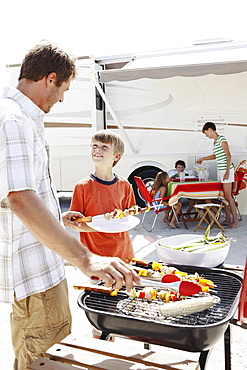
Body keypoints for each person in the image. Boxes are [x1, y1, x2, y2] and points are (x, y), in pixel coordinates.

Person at [0, 43, 140, 370]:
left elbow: (16, 199)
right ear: (50, 79)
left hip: (44, 268)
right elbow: (19, 198)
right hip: (36, 276)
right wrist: (86, 257)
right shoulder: (14, 121)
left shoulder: (17, 117)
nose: (62, 99)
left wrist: (56, 218)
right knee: (42, 361)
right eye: (63, 89)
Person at [67, 129, 136, 262]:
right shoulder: (82, 187)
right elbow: (75, 224)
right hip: (95, 257)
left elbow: (130, 215)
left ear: (116, 156)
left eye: (104, 147)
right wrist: (104, 226)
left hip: (123, 252)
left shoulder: (124, 185)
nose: (97, 149)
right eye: (94, 145)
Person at [196, 122, 239, 229]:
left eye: (206, 133)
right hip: (222, 171)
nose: (206, 136)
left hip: (226, 170)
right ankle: (228, 219)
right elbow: (216, 155)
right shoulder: (215, 142)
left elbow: (228, 155)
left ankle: (235, 221)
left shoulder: (222, 139)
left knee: (229, 197)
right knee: (225, 196)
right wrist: (203, 159)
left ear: (211, 129)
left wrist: (228, 171)